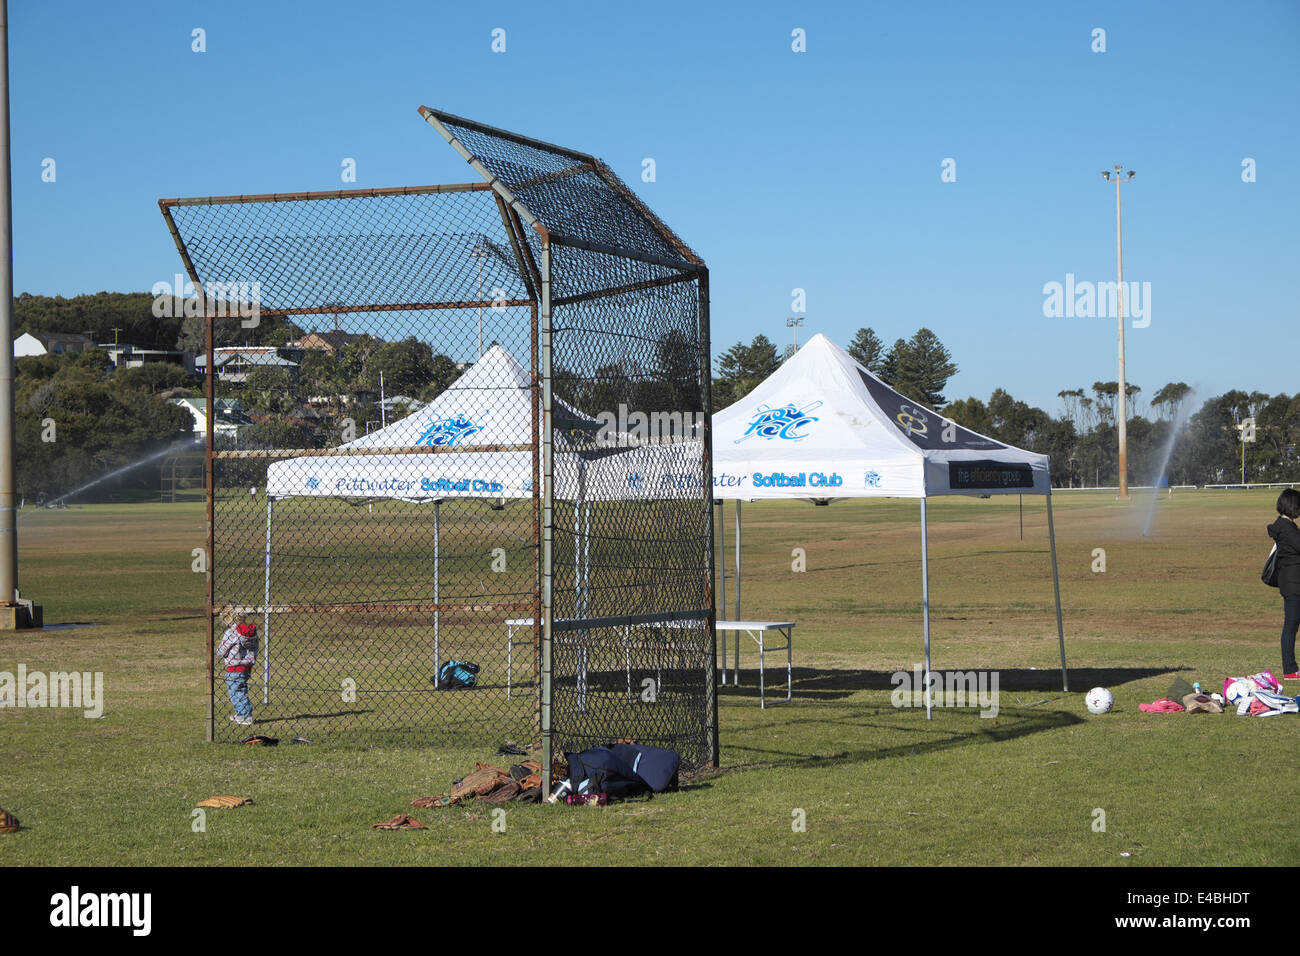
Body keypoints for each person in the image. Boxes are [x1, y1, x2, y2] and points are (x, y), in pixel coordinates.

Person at [1267, 488, 1300, 679]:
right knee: (1290, 626)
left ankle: (1291, 668)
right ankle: (1289, 669)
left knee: (1292, 624)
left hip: (1291, 582)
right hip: (1294, 584)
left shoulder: (1284, 526)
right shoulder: (1287, 528)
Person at [218, 607, 259, 725]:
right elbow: (256, 647)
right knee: (241, 689)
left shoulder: (232, 632)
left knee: (236, 691)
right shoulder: (253, 632)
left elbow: (222, 649)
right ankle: (240, 714)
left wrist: (220, 652)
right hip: (247, 666)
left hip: (234, 666)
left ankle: (245, 715)